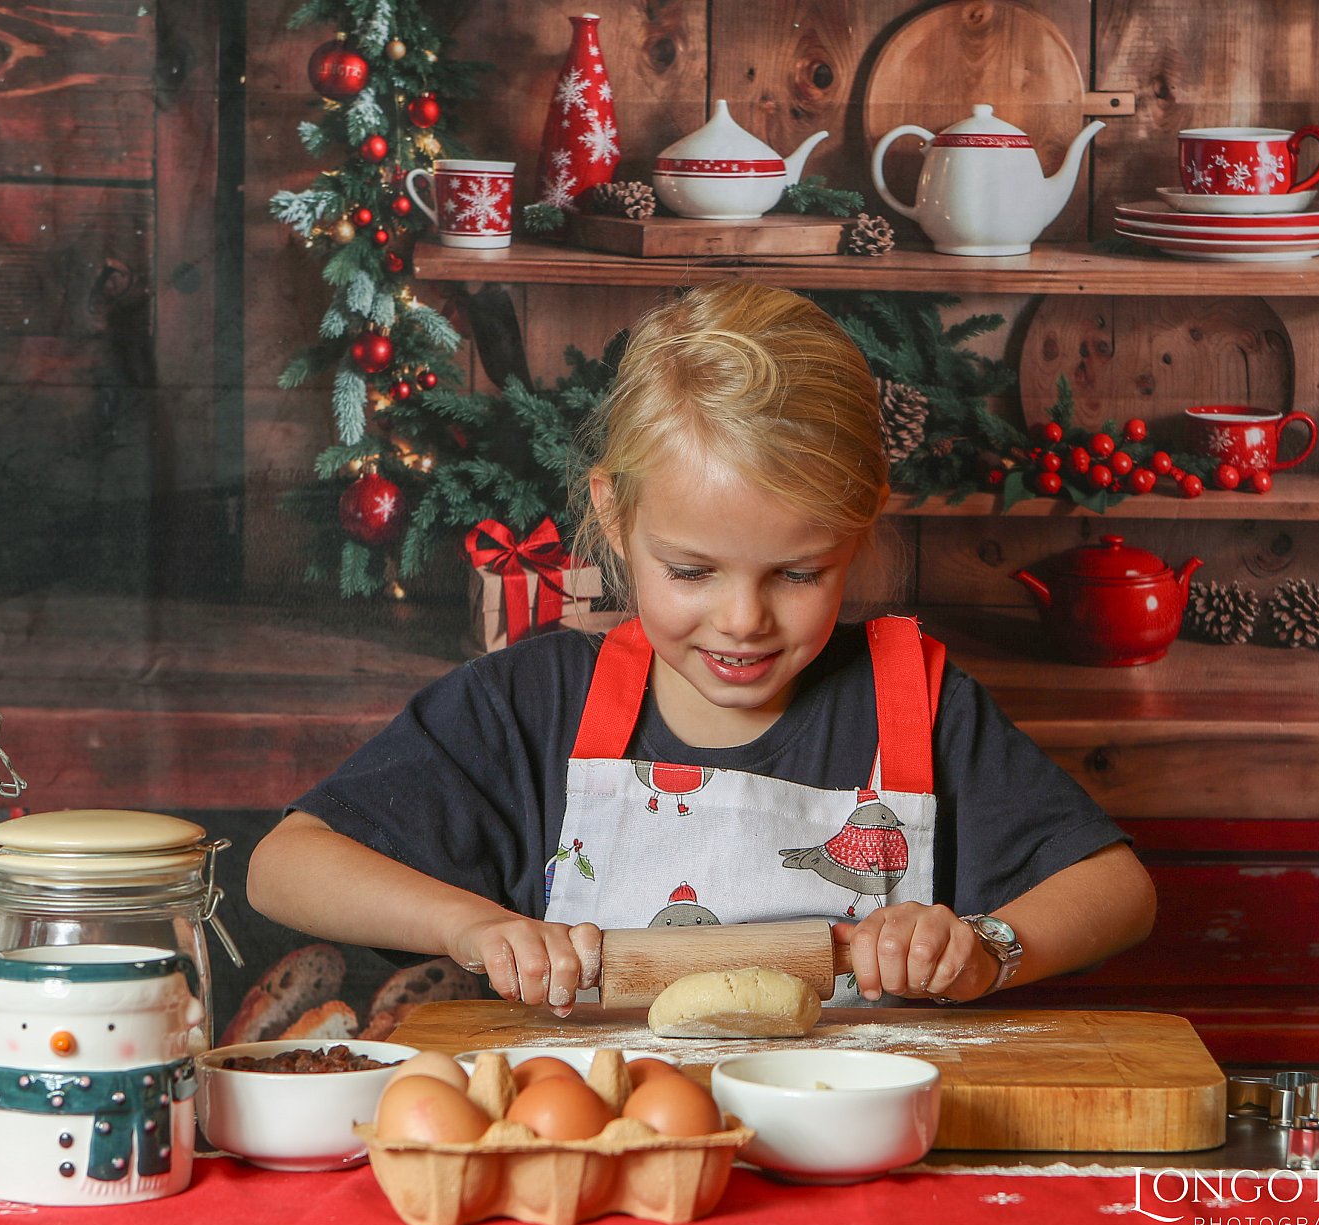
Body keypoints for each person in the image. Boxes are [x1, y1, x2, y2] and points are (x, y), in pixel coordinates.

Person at [248, 281, 1156, 1018]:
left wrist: (983, 950)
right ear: (613, 514)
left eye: (797, 575)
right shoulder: (531, 708)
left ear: (857, 534)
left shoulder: (912, 705)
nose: (742, 621)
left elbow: (1117, 891)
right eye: (692, 572)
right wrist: (473, 928)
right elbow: (283, 865)